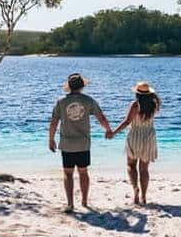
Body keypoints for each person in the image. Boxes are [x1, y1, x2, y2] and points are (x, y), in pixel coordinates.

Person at [48, 72, 112, 213]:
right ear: (82, 86)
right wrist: (108, 130)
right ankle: (84, 201)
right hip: (83, 143)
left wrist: (51, 139)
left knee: (68, 174)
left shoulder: (61, 102)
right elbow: (101, 117)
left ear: (69, 86)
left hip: (67, 143)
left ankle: (70, 203)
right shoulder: (88, 101)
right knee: (83, 172)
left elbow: (54, 122)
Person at [110, 81, 160, 205]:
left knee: (131, 165)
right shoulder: (155, 104)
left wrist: (114, 132)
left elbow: (127, 122)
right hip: (149, 136)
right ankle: (144, 196)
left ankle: (135, 188)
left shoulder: (135, 105)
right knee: (144, 169)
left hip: (135, 136)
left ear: (137, 93)